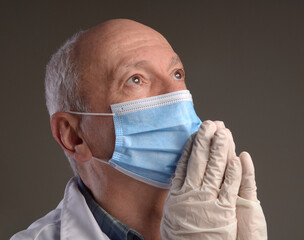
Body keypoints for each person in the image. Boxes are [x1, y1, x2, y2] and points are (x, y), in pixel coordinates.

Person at [11, 19, 267, 240]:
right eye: (135, 79)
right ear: (74, 136)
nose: (177, 94)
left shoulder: (229, 226)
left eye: (177, 74)